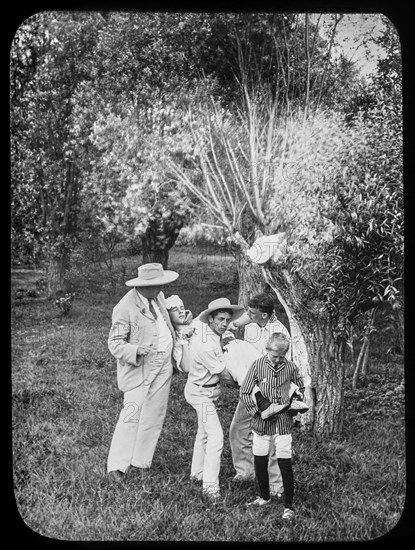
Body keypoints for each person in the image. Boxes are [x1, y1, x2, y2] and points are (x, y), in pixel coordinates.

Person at [106, 263, 179, 482]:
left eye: (161, 284)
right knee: (131, 413)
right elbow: (115, 344)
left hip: (163, 363)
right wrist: (136, 350)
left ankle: (141, 460)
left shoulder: (157, 296)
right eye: (156, 284)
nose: (160, 287)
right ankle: (117, 466)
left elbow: (165, 323)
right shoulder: (124, 308)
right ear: (143, 285)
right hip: (141, 366)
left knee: (155, 412)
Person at [228, 292, 297, 496]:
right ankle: (246, 472)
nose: (248, 314)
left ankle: (276, 485)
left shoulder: (279, 334)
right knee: (239, 429)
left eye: (252, 312)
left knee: (274, 437)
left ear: (265, 315)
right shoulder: (251, 325)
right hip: (252, 389)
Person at [240, 332, 305, 520]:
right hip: (261, 423)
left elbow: (299, 388)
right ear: (266, 349)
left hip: (283, 422)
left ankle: (288, 506)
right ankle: (264, 496)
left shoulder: (291, 367)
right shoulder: (257, 366)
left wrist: (296, 404)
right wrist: (258, 412)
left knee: (284, 460)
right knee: (260, 458)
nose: (277, 360)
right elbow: (245, 392)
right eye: (274, 355)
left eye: (281, 357)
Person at [184, 297, 244, 500]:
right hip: (200, 393)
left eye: (227, 319)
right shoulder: (205, 345)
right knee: (216, 437)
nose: (224, 324)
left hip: (207, 391)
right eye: (220, 319)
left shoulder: (210, 332)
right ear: (210, 319)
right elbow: (225, 376)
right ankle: (210, 488)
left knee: (203, 433)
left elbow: (192, 325)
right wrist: (246, 383)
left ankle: (196, 474)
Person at [165, 294, 195, 374]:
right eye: (175, 310)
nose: (180, 311)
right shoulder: (176, 341)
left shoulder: (196, 325)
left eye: (182, 308)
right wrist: (184, 339)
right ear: (168, 315)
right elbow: (187, 368)